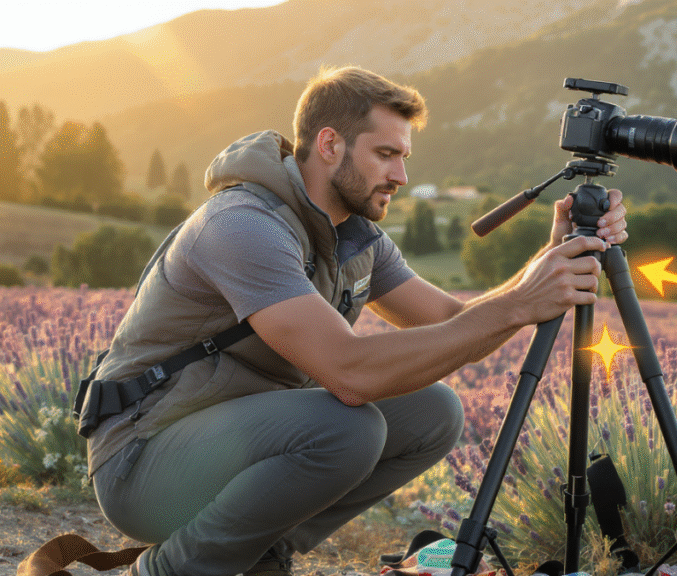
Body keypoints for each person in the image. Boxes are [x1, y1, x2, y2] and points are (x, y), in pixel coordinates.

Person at [86, 65, 628, 576]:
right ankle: (169, 569)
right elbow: (349, 375)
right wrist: (519, 304)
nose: (402, 175)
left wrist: (548, 257)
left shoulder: (355, 236)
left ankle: (263, 553)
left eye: (404, 157)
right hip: (140, 460)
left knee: (433, 412)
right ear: (329, 145)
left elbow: (454, 319)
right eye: (386, 154)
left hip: (224, 440)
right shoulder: (243, 226)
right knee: (351, 426)